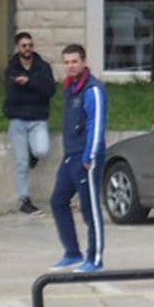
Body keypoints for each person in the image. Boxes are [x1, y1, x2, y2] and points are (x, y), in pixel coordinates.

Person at [49, 43, 106, 273]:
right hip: (70, 156)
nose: (70, 66)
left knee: (90, 208)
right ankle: (72, 252)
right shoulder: (70, 88)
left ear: (83, 62)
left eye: (74, 61)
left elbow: (96, 123)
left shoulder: (92, 89)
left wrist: (90, 155)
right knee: (57, 201)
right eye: (66, 62)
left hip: (86, 157)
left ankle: (95, 258)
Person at [3, 31, 55, 215]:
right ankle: (24, 199)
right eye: (24, 46)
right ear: (18, 47)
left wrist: (29, 82)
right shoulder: (12, 68)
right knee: (21, 163)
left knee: (41, 150)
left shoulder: (43, 67)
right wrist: (35, 90)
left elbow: (50, 90)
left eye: (30, 45)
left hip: (38, 119)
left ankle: (32, 156)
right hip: (17, 120)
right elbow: (12, 95)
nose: (28, 49)